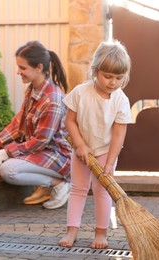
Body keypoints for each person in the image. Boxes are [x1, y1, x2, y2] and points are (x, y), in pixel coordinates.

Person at [0, 41, 72, 210]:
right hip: (40, 151)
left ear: (39, 67)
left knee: (8, 170)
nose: (19, 72)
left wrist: (4, 153)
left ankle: (59, 184)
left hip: (58, 156)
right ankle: (45, 187)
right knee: (7, 163)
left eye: (23, 68)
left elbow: (40, 141)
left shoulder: (52, 100)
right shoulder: (33, 90)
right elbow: (18, 123)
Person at [58, 40, 132, 249]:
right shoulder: (80, 93)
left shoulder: (121, 100)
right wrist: (80, 145)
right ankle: (72, 230)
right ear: (95, 70)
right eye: (107, 76)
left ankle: (101, 233)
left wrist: (110, 163)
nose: (112, 82)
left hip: (105, 152)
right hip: (82, 150)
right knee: (78, 188)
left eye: (118, 77)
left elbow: (119, 133)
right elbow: (70, 121)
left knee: (102, 191)